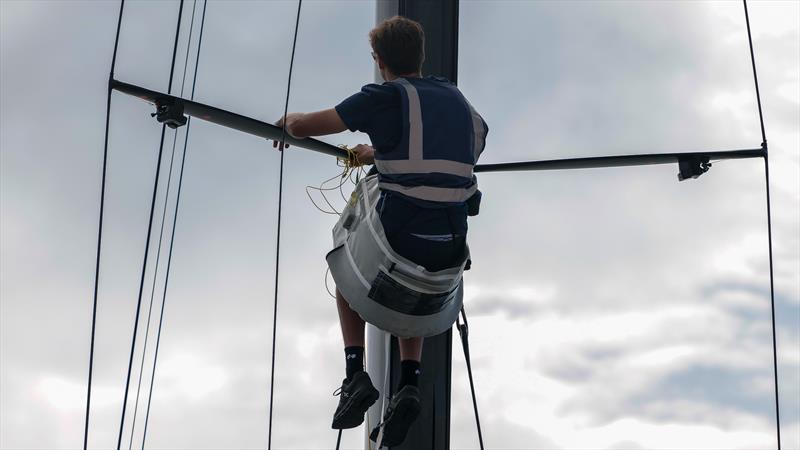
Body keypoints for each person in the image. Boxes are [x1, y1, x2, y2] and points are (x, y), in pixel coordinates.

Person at [273, 16, 487, 447]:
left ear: (379, 60)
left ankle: (355, 373)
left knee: (345, 254)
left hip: (396, 244)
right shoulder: (461, 103)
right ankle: (409, 379)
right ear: (422, 57)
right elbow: (467, 144)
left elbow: (309, 126)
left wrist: (289, 122)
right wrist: (383, 150)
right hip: (449, 253)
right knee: (413, 287)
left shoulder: (383, 98)